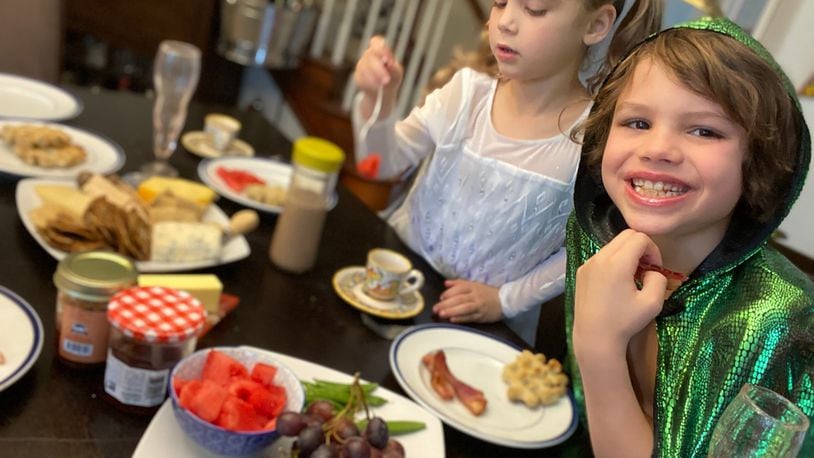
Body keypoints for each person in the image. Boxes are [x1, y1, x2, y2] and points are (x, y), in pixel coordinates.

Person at [565, 16, 814, 456]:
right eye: (637, 123)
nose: (657, 148)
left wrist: (598, 346)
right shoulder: (597, 243)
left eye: (704, 130)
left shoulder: (783, 321)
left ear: (759, 162)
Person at [352, 0, 662, 345]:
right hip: (395, 282)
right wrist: (377, 101)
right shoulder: (466, 95)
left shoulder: (594, 140)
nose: (505, 22)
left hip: (483, 332)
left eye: (534, 9)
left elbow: (589, 248)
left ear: (596, 25)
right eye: (500, 3)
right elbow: (379, 165)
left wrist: (505, 300)